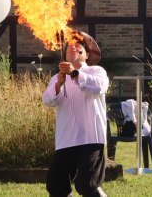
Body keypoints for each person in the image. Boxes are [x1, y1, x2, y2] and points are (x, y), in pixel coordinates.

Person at [42, 30, 109, 197]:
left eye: (79, 46)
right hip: (66, 140)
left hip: (89, 138)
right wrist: (58, 84)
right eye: (69, 46)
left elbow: (99, 87)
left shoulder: (96, 71)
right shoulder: (57, 78)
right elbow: (48, 100)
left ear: (86, 55)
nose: (73, 47)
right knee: (56, 186)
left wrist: (74, 73)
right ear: (64, 56)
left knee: (88, 185)